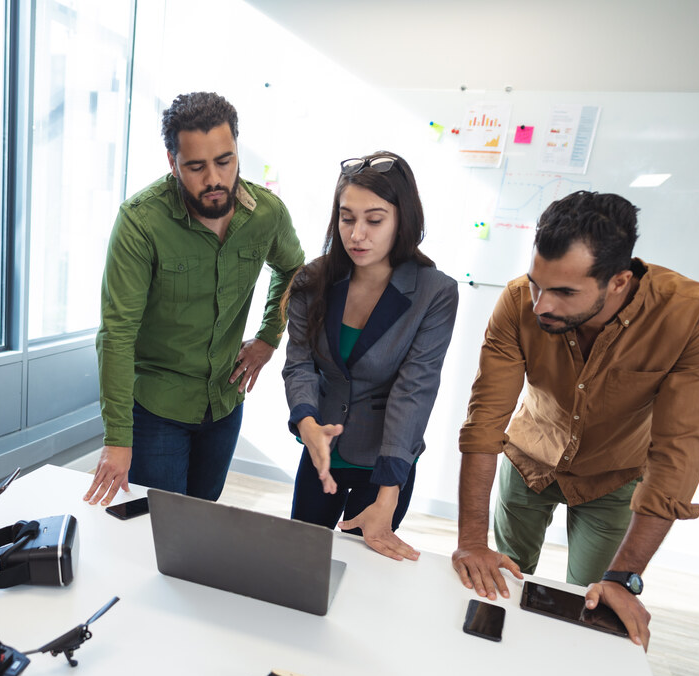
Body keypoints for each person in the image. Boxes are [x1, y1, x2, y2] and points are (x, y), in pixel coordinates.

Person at [452, 191, 699, 648]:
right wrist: (469, 540)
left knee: (592, 607)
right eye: (538, 284)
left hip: (614, 477)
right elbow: (484, 422)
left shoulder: (696, 316)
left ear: (619, 282)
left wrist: (624, 578)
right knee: (493, 590)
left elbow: (679, 451)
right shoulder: (518, 300)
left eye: (564, 292)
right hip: (529, 460)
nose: (541, 304)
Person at [84, 91, 305, 505]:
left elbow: (294, 269)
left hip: (224, 404)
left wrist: (268, 339)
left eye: (225, 161)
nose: (214, 179)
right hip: (157, 408)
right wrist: (117, 439)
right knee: (159, 528)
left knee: (202, 521)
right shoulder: (140, 222)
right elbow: (116, 335)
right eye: (196, 166)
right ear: (173, 163)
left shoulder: (267, 214)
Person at [282, 152, 458, 560]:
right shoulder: (313, 279)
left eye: (374, 220)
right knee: (298, 559)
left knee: (361, 570)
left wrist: (388, 492)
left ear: (402, 220)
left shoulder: (435, 292)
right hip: (321, 447)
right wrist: (306, 422)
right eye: (347, 218)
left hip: (385, 461)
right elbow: (299, 362)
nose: (357, 234)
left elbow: (414, 392)